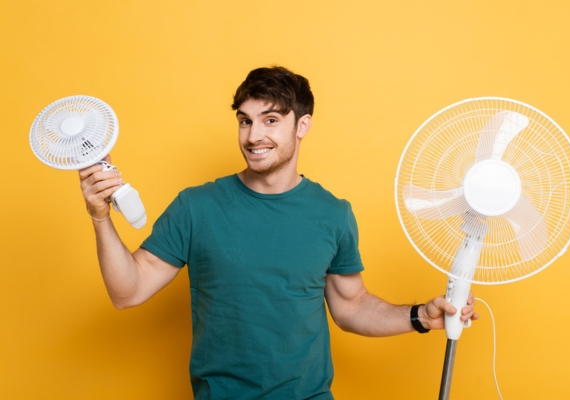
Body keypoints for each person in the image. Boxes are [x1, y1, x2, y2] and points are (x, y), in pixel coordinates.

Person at [79, 66, 478, 399]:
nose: (254, 137)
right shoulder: (196, 206)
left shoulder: (332, 214)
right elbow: (126, 292)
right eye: (245, 121)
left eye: (271, 120)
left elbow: (351, 306)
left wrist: (420, 316)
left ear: (302, 125)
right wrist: (101, 218)